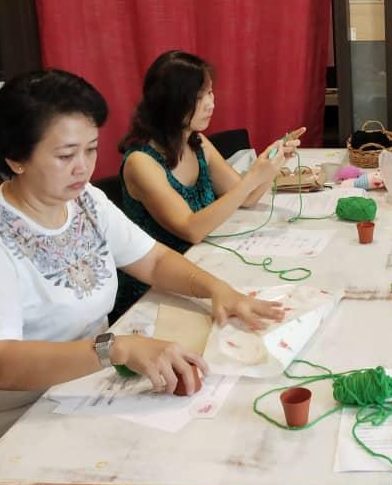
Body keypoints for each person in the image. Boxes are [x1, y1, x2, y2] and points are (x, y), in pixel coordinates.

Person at [0, 70, 286, 485]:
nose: (83, 167)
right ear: (16, 158)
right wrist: (113, 349)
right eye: (65, 155)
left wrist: (216, 289)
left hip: (74, 399)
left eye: (91, 149)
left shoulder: (85, 201)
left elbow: (153, 260)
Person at [116, 51, 301, 315]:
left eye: (211, 93)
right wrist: (252, 177)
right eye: (199, 97)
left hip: (204, 266)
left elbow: (246, 198)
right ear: (171, 101)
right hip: (155, 291)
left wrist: (272, 164)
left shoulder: (198, 143)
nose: (211, 104)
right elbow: (191, 229)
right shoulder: (141, 163)